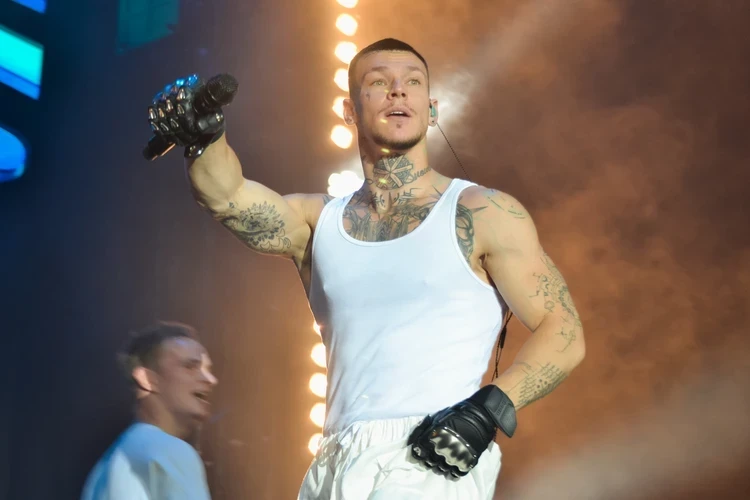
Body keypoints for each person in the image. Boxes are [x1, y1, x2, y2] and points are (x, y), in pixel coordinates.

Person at [146, 38, 585, 499]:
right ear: (349, 111)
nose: (398, 90)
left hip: (432, 453)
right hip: (335, 463)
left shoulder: (482, 212)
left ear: (432, 109)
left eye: (412, 82)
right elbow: (227, 198)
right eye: (378, 82)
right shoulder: (319, 223)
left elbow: (564, 329)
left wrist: (488, 409)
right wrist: (204, 139)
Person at [81, 321, 218, 500]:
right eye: (190, 367)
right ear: (147, 379)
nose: (210, 379)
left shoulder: (103, 470)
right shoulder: (170, 451)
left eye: (207, 369)